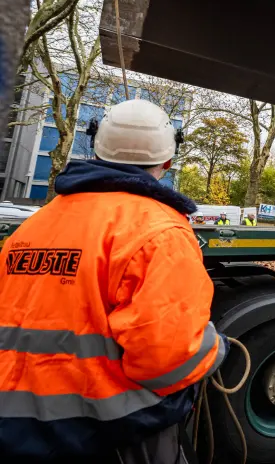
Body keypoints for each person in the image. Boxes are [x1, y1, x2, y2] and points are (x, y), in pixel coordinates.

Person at [0, 100, 227, 463]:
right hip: (107, 431)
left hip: (13, 428)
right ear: (168, 161)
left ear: (95, 147)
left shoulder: (33, 225)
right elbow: (169, 363)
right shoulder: (161, 232)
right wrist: (218, 347)